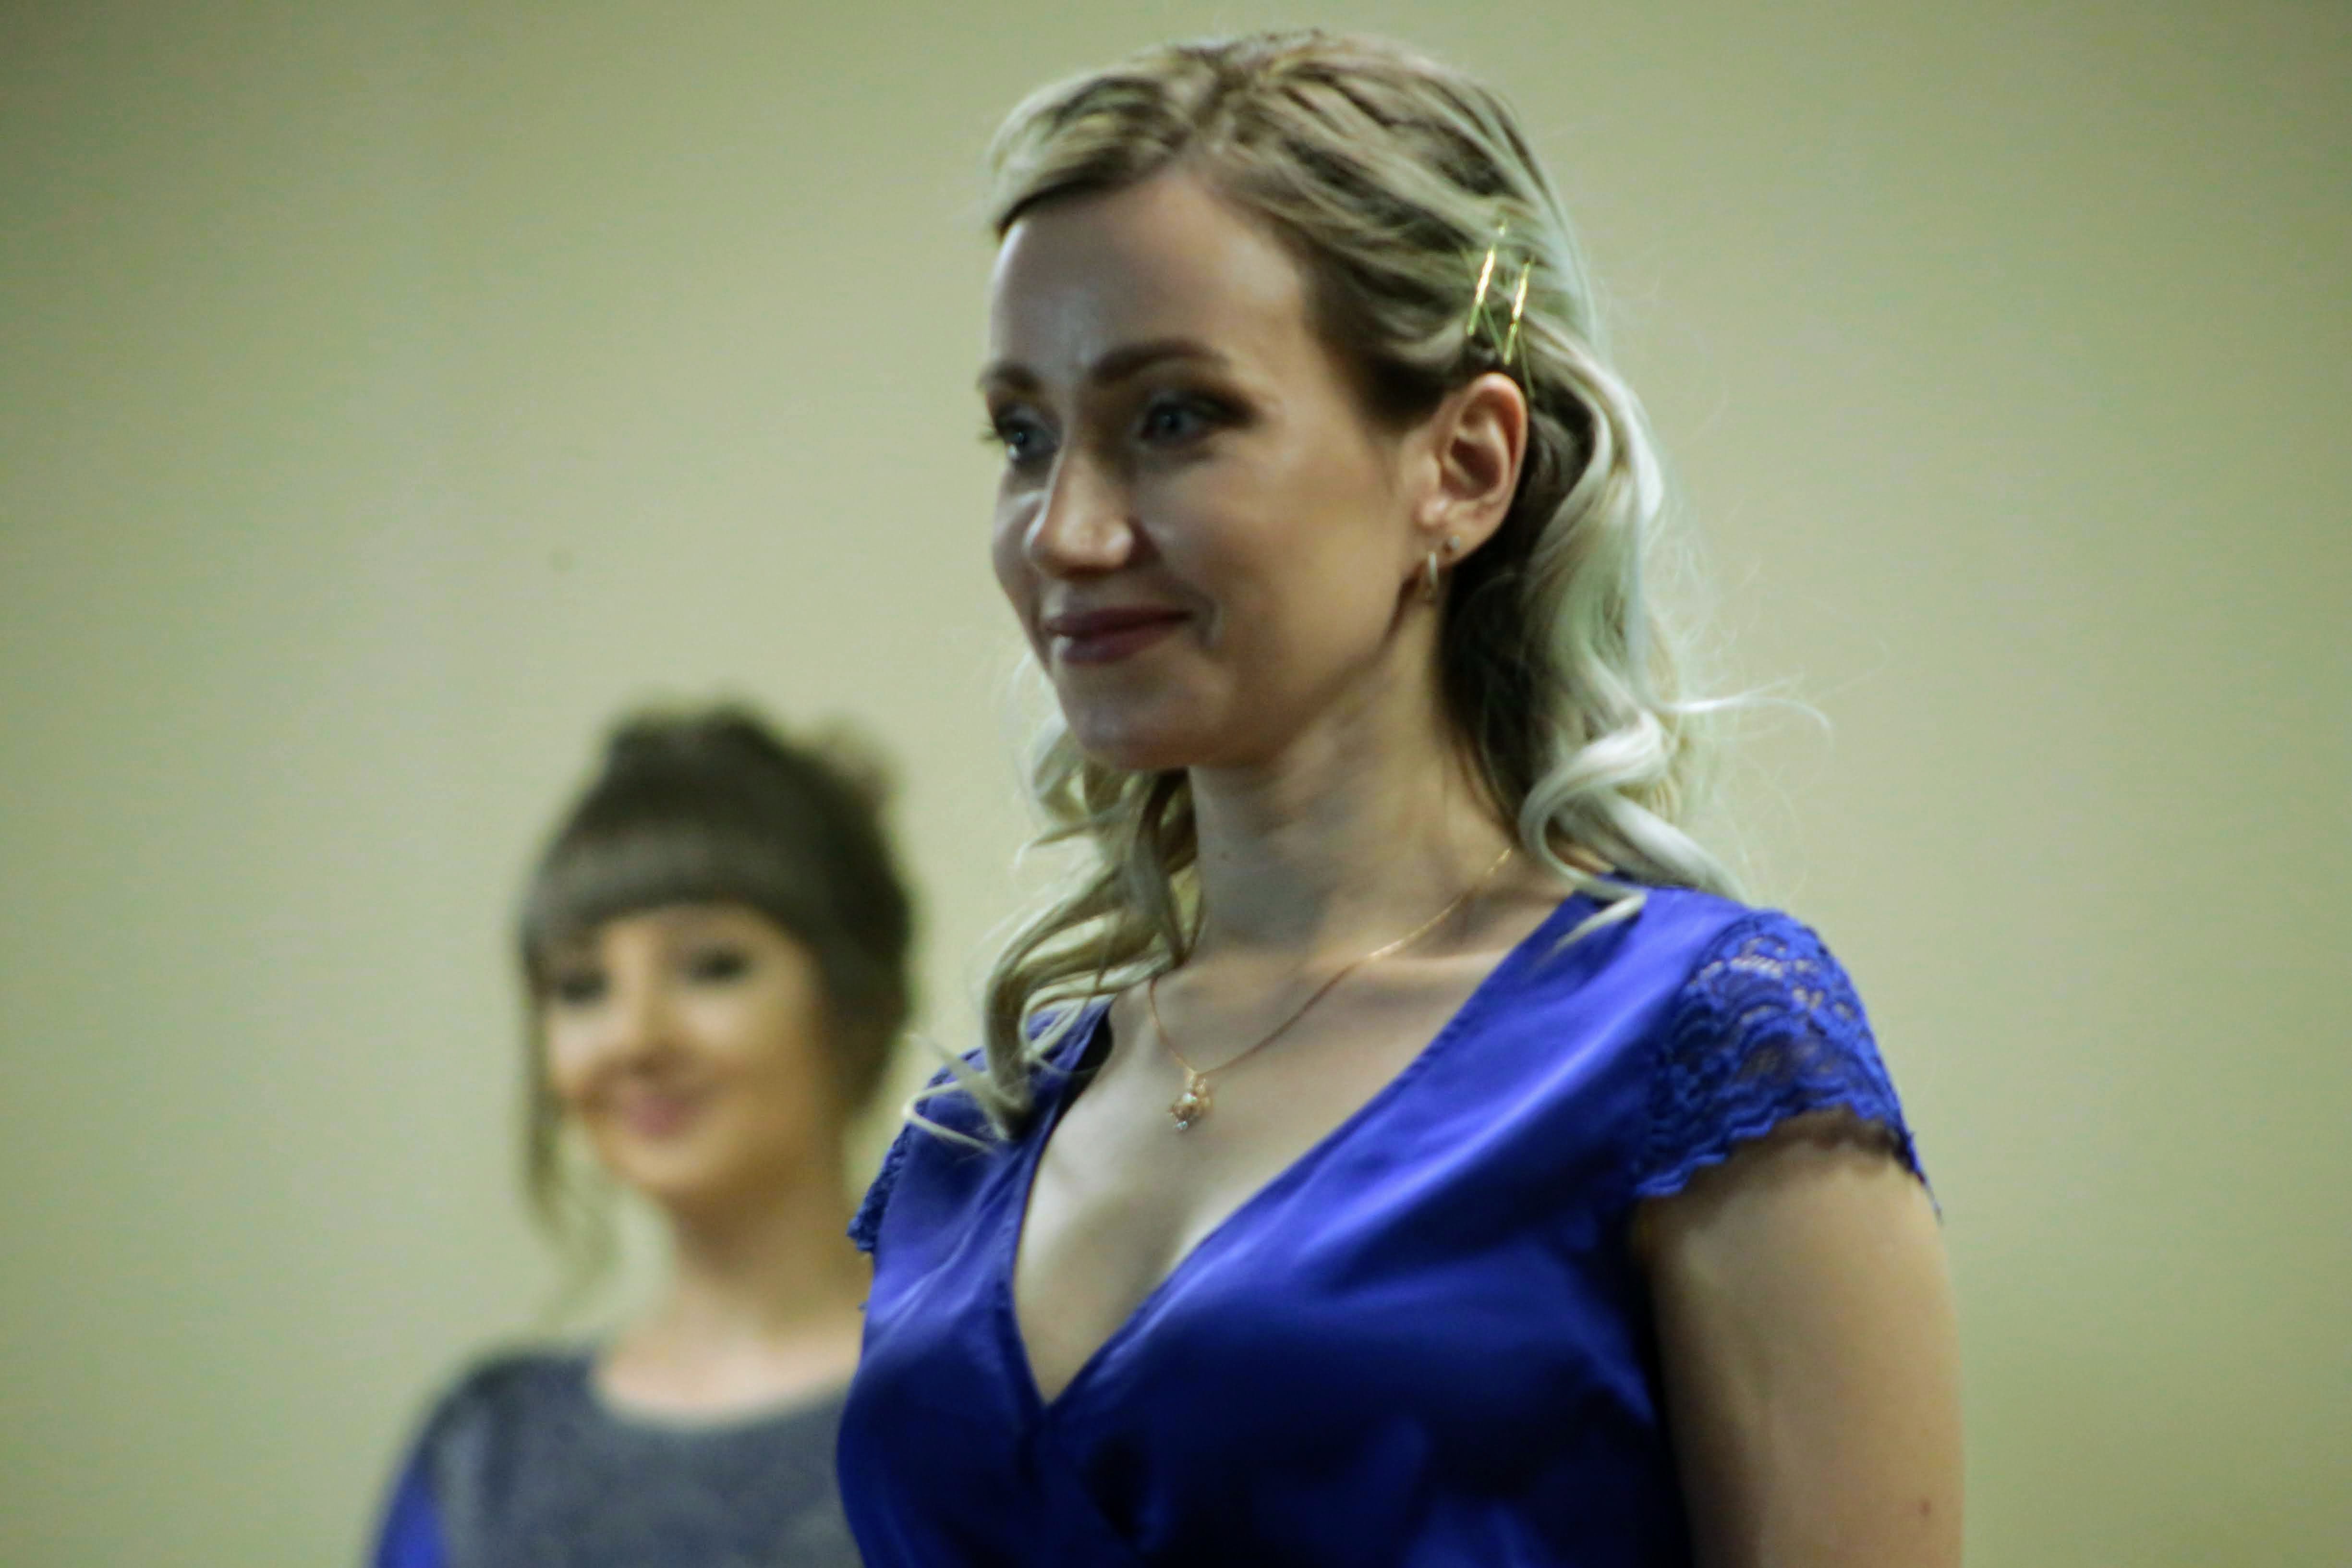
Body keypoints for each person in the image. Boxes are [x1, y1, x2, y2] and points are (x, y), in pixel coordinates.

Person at [838, 29, 1961, 1568]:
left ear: (1464, 466)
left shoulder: (1697, 1053)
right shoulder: (979, 1133)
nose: (1066, 532)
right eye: (1024, 436)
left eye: (1175, 417)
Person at [372, 707, 909, 1568]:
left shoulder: (992, 1407)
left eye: (711, 966)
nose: (634, 1038)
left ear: (856, 1005)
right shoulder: (482, 1453)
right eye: (581, 985)